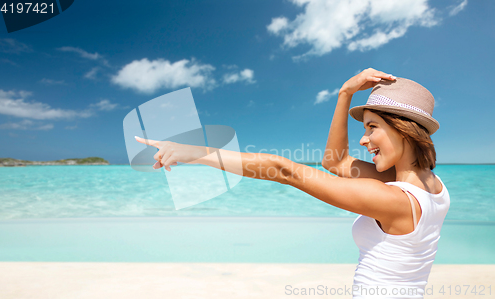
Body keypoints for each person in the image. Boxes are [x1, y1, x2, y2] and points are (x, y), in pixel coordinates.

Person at [135, 68, 450, 298]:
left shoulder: (393, 200)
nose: (364, 139)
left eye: (372, 127)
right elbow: (336, 163)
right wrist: (345, 95)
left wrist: (193, 152)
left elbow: (283, 169)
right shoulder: (434, 188)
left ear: (403, 129)